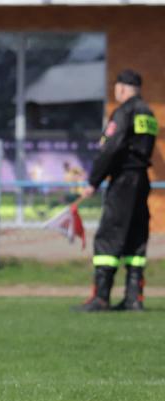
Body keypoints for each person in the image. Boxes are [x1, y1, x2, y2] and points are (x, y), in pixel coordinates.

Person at [74, 69, 157, 312]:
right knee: (135, 236)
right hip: (141, 180)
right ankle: (134, 298)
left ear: (121, 88)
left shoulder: (124, 112)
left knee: (109, 235)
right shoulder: (149, 114)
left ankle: (100, 297)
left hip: (123, 181)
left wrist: (94, 181)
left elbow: (110, 149)